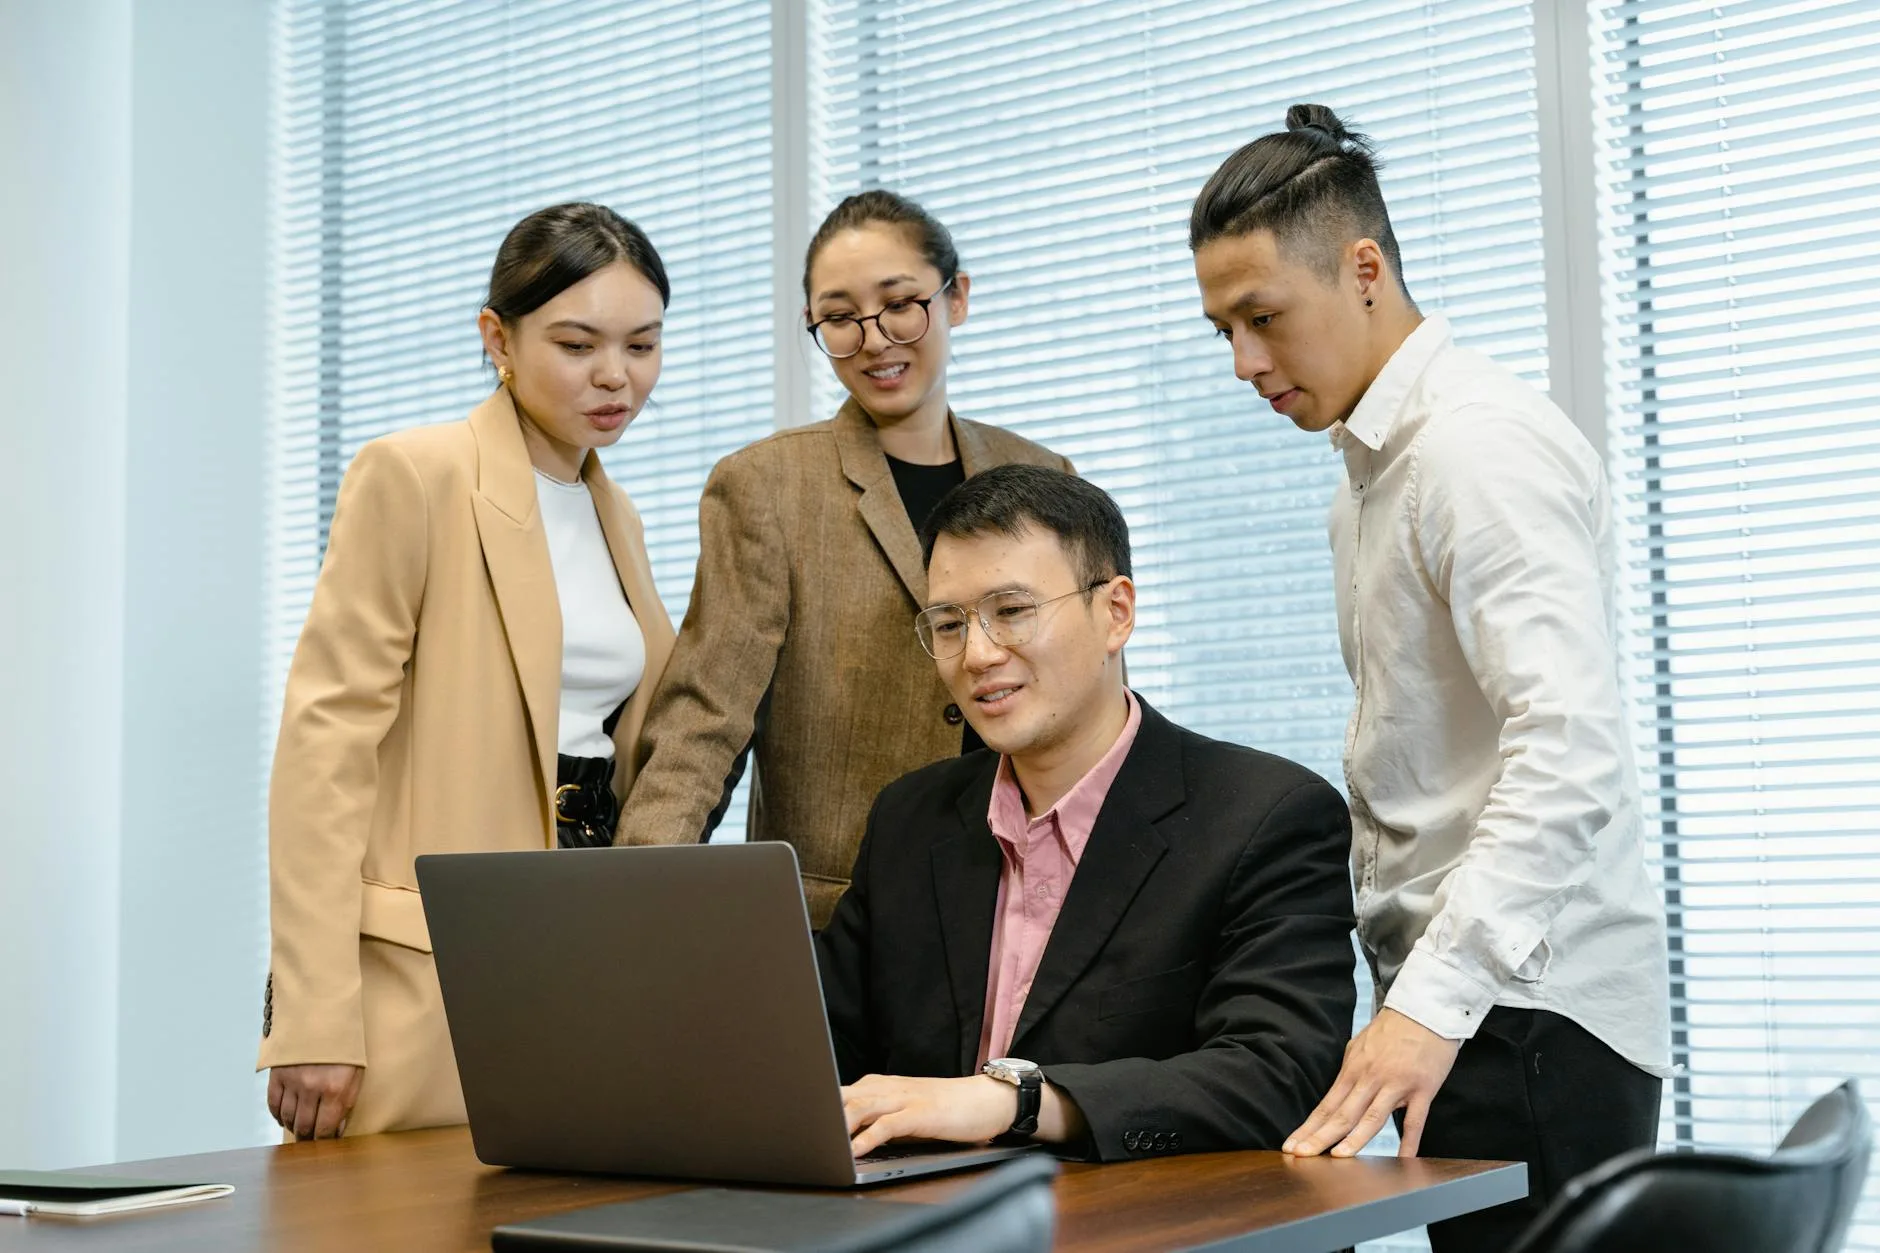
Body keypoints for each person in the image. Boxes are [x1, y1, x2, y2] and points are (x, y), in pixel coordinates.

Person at [1191, 104, 1671, 1247]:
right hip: (1472, 1007)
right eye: (1221, 330)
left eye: (1262, 317)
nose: (1244, 361)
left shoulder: (1471, 446)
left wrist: (1429, 1002)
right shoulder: (1363, 475)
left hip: (1528, 1012)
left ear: (1362, 269)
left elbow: (1568, 747)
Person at [258, 203, 678, 1139]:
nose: (617, 375)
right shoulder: (414, 475)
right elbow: (324, 749)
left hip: (582, 950)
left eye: (643, 344)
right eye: (578, 343)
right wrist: (314, 1008)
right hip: (427, 962)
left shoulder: (621, 518)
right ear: (498, 337)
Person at [816, 464, 1356, 1160]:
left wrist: (1015, 1102)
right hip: (921, 1218)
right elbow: (821, 1050)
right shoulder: (910, 817)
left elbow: (1276, 1079)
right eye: (949, 623)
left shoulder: (1266, 815)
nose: (977, 653)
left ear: (1116, 612)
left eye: (1012, 611)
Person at [618, 190, 1072, 928]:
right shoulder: (765, 486)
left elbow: (1089, 697)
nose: (874, 338)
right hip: (839, 923)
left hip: (1022, 907)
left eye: (900, 304)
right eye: (838, 317)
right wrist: (635, 905)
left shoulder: (1044, 475)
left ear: (955, 298)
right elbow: (706, 719)